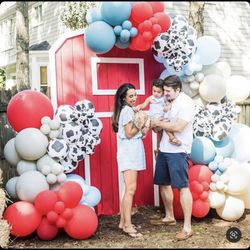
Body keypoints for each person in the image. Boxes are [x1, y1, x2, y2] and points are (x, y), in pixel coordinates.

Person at [149, 75, 195, 241]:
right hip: (164, 149)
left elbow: (178, 126)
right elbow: (157, 127)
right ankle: (169, 217)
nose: (165, 93)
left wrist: (158, 122)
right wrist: (156, 128)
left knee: (182, 186)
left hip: (179, 150)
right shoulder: (166, 102)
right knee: (163, 183)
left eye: (168, 91)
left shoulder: (186, 103)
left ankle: (187, 227)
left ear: (178, 89)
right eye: (165, 90)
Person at [111, 83, 150, 238]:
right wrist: (140, 125)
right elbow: (128, 133)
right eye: (131, 96)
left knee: (127, 189)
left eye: (135, 95)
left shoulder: (127, 110)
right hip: (129, 153)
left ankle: (123, 222)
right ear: (124, 98)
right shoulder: (127, 111)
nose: (134, 98)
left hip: (131, 151)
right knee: (130, 190)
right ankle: (127, 225)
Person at [134, 79, 182, 147]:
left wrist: (167, 106)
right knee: (146, 122)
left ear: (163, 91)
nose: (156, 93)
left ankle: (170, 138)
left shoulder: (164, 98)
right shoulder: (150, 98)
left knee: (164, 128)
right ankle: (143, 133)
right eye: (154, 91)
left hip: (161, 118)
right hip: (152, 118)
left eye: (158, 92)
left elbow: (170, 103)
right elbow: (143, 105)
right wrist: (139, 106)